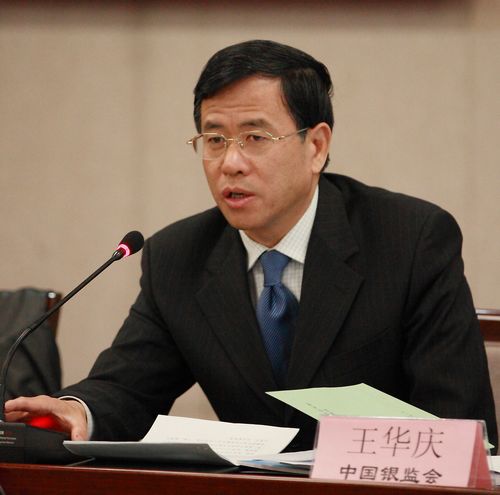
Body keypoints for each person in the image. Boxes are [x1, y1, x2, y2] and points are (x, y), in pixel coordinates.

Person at [6, 39, 497, 451]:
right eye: (214, 140)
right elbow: (129, 387)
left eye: (255, 137)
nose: (231, 163)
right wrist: (78, 410)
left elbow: (459, 423)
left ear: (316, 146)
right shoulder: (179, 256)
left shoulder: (409, 240)